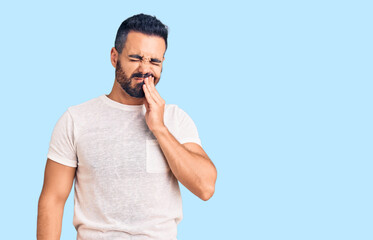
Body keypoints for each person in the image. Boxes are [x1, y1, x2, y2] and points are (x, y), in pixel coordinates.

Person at [37, 13, 217, 240]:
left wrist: (159, 128)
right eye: (135, 58)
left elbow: (205, 187)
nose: (145, 69)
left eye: (154, 61)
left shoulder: (176, 119)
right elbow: (52, 199)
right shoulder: (76, 119)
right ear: (114, 57)